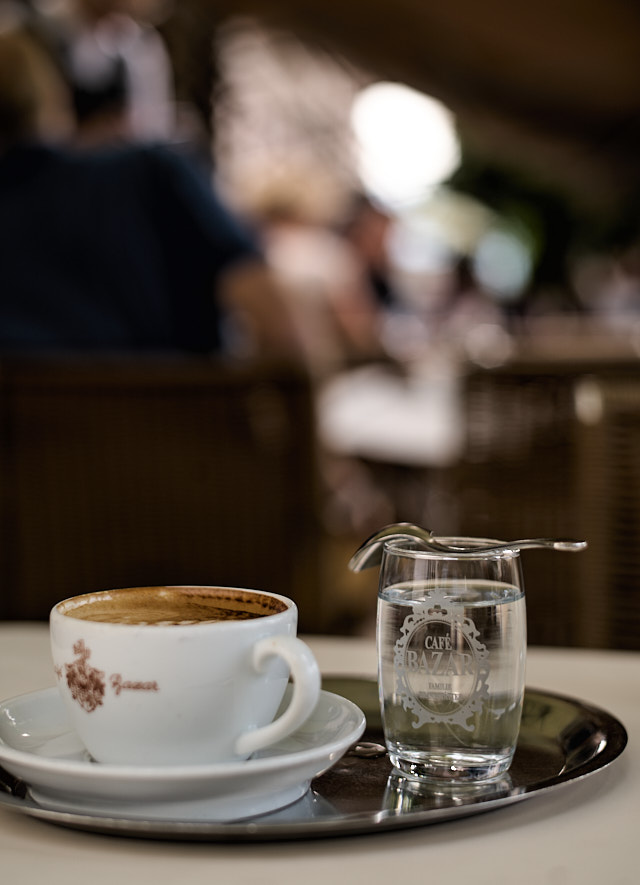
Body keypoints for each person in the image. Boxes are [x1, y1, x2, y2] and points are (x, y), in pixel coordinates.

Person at [0, 25, 302, 360]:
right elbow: (274, 318)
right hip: (165, 408)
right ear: (52, 96)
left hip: (21, 410)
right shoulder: (150, 172)